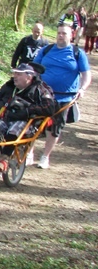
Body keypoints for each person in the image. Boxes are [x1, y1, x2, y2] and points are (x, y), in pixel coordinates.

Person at [32, 24, 91, 169]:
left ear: (71, 35)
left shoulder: (77, 53)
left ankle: (45, 156)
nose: (60, 36)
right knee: (32, 123)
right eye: (58, 33)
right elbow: (33, 68)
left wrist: (82, 88)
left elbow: (86, 74)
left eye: (64, 33)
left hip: (64, 98)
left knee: (54, 128)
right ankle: (29, 153)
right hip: (42, 94)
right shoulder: (46, 50)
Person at [0, 63, 56, 173]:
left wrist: (27, 110)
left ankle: (4, 159)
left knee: (14, 130)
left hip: (28, 123)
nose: (15, 76)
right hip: (7, 118)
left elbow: (50, 108)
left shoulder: (40, 89)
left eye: (19, 74)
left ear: (29, 77)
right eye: (15, 73)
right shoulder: (9, 86)